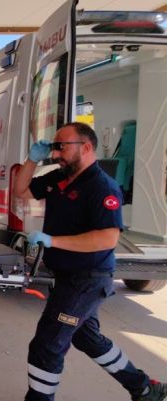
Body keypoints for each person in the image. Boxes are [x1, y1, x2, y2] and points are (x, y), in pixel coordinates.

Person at [14, 122, 166, 401]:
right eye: (53, 147)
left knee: (47, 345)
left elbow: (107, 238)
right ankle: (145, 388)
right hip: (66, 275)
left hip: (86, 278)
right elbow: (21, 191)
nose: (55, 154)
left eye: (61, 147)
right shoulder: (58, 177)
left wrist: (52, 241)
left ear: (85, 147)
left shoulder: (102, 186)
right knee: (86, 337)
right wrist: (32, 160)